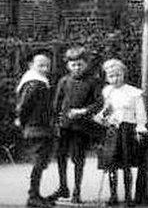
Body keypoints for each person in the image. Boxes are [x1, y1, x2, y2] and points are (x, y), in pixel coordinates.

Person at [51, 46, 103, 204]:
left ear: (86, 64)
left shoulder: (92, 82)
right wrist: (56, 120)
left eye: (80, 64)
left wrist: (83, 111)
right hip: (64, 125)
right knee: (60, 156)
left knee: (77, 158)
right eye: (73, 65)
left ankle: (76, 191)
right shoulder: (64, 81)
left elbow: (99, 103)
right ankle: (63, 187)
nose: (76, 67)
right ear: (68, 65)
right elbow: (57, 102)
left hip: (81, 126)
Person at [95, 59, 147, 207]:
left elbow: (140, 114)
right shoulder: (107, 91)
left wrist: (140, 128)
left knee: (126, 164)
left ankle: (128, 197)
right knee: (111, 163)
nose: (115, 78)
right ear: (106, 77)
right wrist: (102, 116)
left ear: (123, 74)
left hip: (127, 131)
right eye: (111, 76)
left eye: (118, 75)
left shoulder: (133, 93)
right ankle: (113, 196)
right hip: (112, 130)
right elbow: (107, 110)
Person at [15, 53, 55, 208]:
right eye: (41, 65)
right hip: (36, 127)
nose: (45, 68)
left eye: (47, 65)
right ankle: (33, 196)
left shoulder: (40, 82)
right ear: (31, 65)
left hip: (41, 127)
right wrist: (23, 122)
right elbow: (23, 106)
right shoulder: (33, 83)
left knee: (42, 160)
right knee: (39, 161)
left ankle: (36, 194)